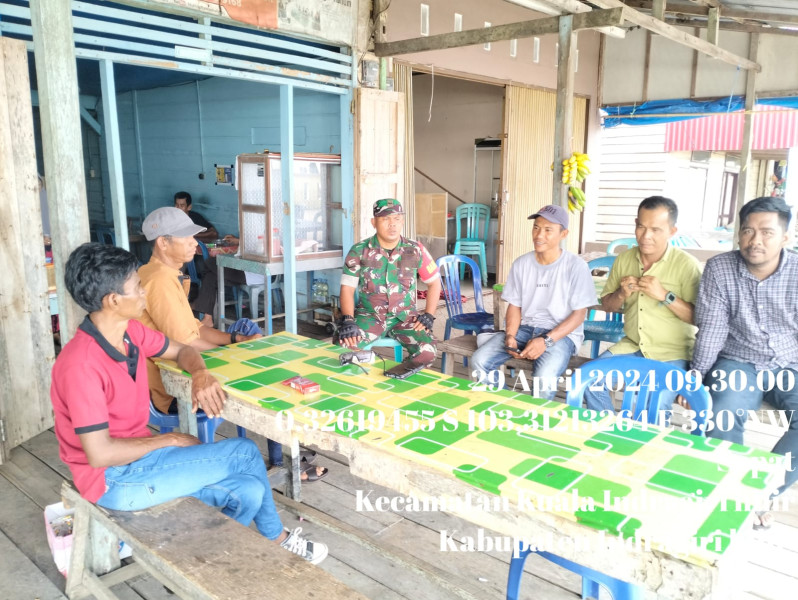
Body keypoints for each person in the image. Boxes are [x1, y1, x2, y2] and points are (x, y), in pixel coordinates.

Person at [50, 242, 327, 563]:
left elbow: (184, 350)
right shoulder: (81, 364)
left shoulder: (131, 333)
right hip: (113, 480)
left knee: (250, 491)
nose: (143, 293)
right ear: (113, 300)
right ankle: (278, 539)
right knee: (245, 452)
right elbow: (100, 454)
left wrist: (199, 375)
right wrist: (170, 438)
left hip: (142, 461)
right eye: (137, 287)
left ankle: (203, 559)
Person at [138, 208, 326, 481]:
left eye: (194, 236)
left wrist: (238, 340)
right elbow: (187, 343)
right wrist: (244, 353)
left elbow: (196, 328)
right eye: (186, 237)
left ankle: (284, 450)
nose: (195, 242)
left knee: (249, 332)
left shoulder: (162, 273)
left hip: (184, 363)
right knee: (265, 372)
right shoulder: (158, 280)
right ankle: (287, 453)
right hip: (175, 384)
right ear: (162, 242)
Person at [692, 196, 798, 529]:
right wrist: (695, 376)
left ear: (786, 237)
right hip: (738, 360)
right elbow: (712, 329)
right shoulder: (720, 268)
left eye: (767, 232)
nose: (756, 240)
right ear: (738, 234)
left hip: (789, 363)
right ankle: (731, 492)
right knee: (722, 412)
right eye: (748, 231)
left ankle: (761, 492)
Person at [583, 196, 702, 413]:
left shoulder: (687, 265)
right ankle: (610, 432)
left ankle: (647, 443)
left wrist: (665, 295)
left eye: (656, 229)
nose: (646, 236)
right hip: (633, 347)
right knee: (589, 379)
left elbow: (700, 319)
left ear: (672, 232)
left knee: (651, 404)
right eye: (641, 227)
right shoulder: (624, 259)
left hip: (674, 354)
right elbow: (607, 307)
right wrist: (620, 293)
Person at [471, 205, 596, 400]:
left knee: (543, 380)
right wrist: (510, 335)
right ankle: (501, 406)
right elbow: (514, 305)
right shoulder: (522, 263)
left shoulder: (576, 266)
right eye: (536, 227)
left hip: (561, 335)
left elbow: (579, 315)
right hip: (525, 328)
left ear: (564, 234)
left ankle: (536, 424)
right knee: (479, 361)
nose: (539, 235)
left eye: (548, 230)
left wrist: (545, 341)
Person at [336, 198, 441, 368]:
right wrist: (348, 319)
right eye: (385, 219)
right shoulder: (359, 250)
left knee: (427, 352)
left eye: (397, 219)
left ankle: (397, 378)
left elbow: (434, 283)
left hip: (406, 317)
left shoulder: (415, 250)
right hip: (369, 316)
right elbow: (347, 289)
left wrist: (428, 314)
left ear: (402, 222)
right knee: (343, 348)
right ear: (374, 222)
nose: (392, 225)